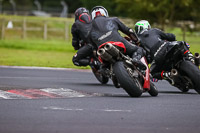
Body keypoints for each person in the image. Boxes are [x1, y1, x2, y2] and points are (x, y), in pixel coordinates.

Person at [90, 6, 146, 70]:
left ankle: (105, 68)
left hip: (102, 49)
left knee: (103, 65)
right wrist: (137, 41)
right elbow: (129, 31)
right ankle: (135, 59)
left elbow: (93, 47)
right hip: (117, 41)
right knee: (138, 49)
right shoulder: (113, 19)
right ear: (105, 13)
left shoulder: (89, 29)